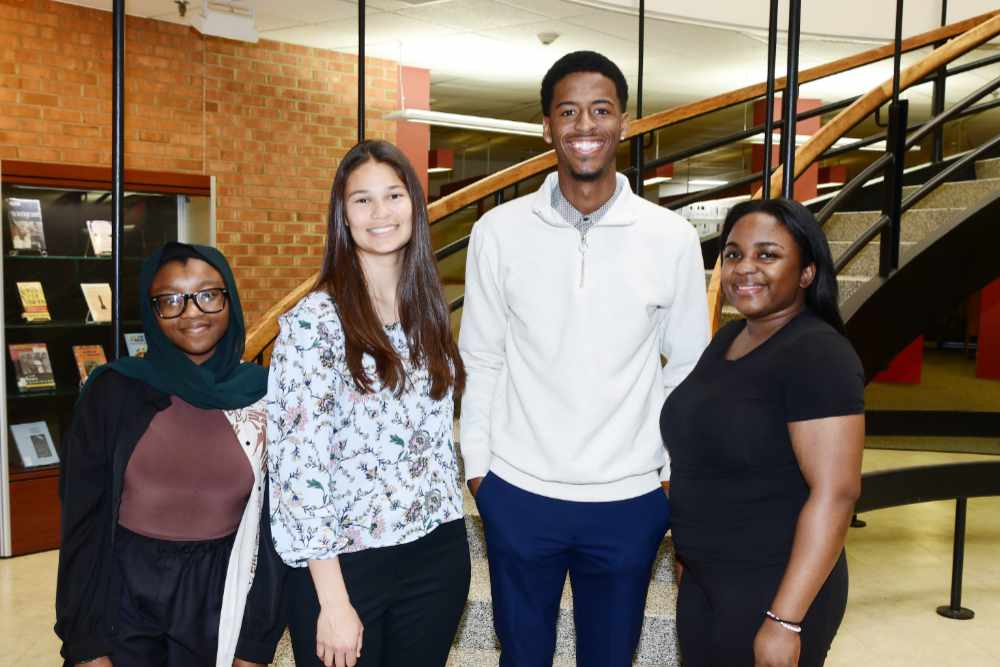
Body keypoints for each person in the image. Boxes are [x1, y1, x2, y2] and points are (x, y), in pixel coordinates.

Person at [459, 50, 710, 665]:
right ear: (547, 125)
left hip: (629, 498)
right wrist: (479, 470)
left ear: (624, 121)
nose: (584, 126)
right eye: (568, 111)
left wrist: (671, 474)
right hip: (518, 490)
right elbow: (482, 355)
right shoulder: (499, 230)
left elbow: (688, 367)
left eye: (600, 110)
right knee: (521, 656)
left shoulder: (669, 236)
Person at [267, 140, 470, 667]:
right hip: (345, 566)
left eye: (394, 195)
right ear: (343, 215)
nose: (381, 213)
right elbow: (297, 468)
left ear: (414, 207)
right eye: (362, 200)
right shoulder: (314, 321)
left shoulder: (427, 311)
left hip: (436, 553)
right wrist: (333, 603)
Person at [55, 242, 287, 667]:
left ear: (229, 299)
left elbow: (278, 532)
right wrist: (86, 644)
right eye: (171, 300)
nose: (192, 312)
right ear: (152, 310)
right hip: (121, 593)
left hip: (222, 591)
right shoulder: (113, 391)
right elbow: (81, 523)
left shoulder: (267, 395)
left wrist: (254, 645)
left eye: (207, 294)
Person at [661, 198, 865, 667]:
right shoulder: (731, 339)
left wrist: (785, 620)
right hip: (708, 582)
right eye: (733, 254)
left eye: (767, 255)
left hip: (773, 591)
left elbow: (836, 492)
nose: (744, 268)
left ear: (807, 273)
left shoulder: (818, 354)